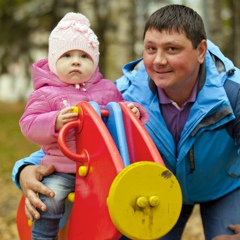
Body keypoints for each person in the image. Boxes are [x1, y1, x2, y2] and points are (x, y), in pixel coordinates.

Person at [12, 4, 240, 240]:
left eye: (172, 49)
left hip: (224, 188)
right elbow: (81, 137)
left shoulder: (232, 93)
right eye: (151, 48)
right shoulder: (124, 94)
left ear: (201, 51)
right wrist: (25, 169)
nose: (159, 60)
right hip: (154, 190)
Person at [17, 12, 146, 240]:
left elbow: (121, 110)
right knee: (51, 198)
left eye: (84, 56)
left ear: (94, 62)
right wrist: (54, 121)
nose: (76, 61)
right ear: (53, 61)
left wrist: (132, 111)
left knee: (117, 206)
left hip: (103, 170)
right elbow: (28, 125)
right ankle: (44, 237)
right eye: (67, 55)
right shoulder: (45, 94)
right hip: (61, 168)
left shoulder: (106, 89)